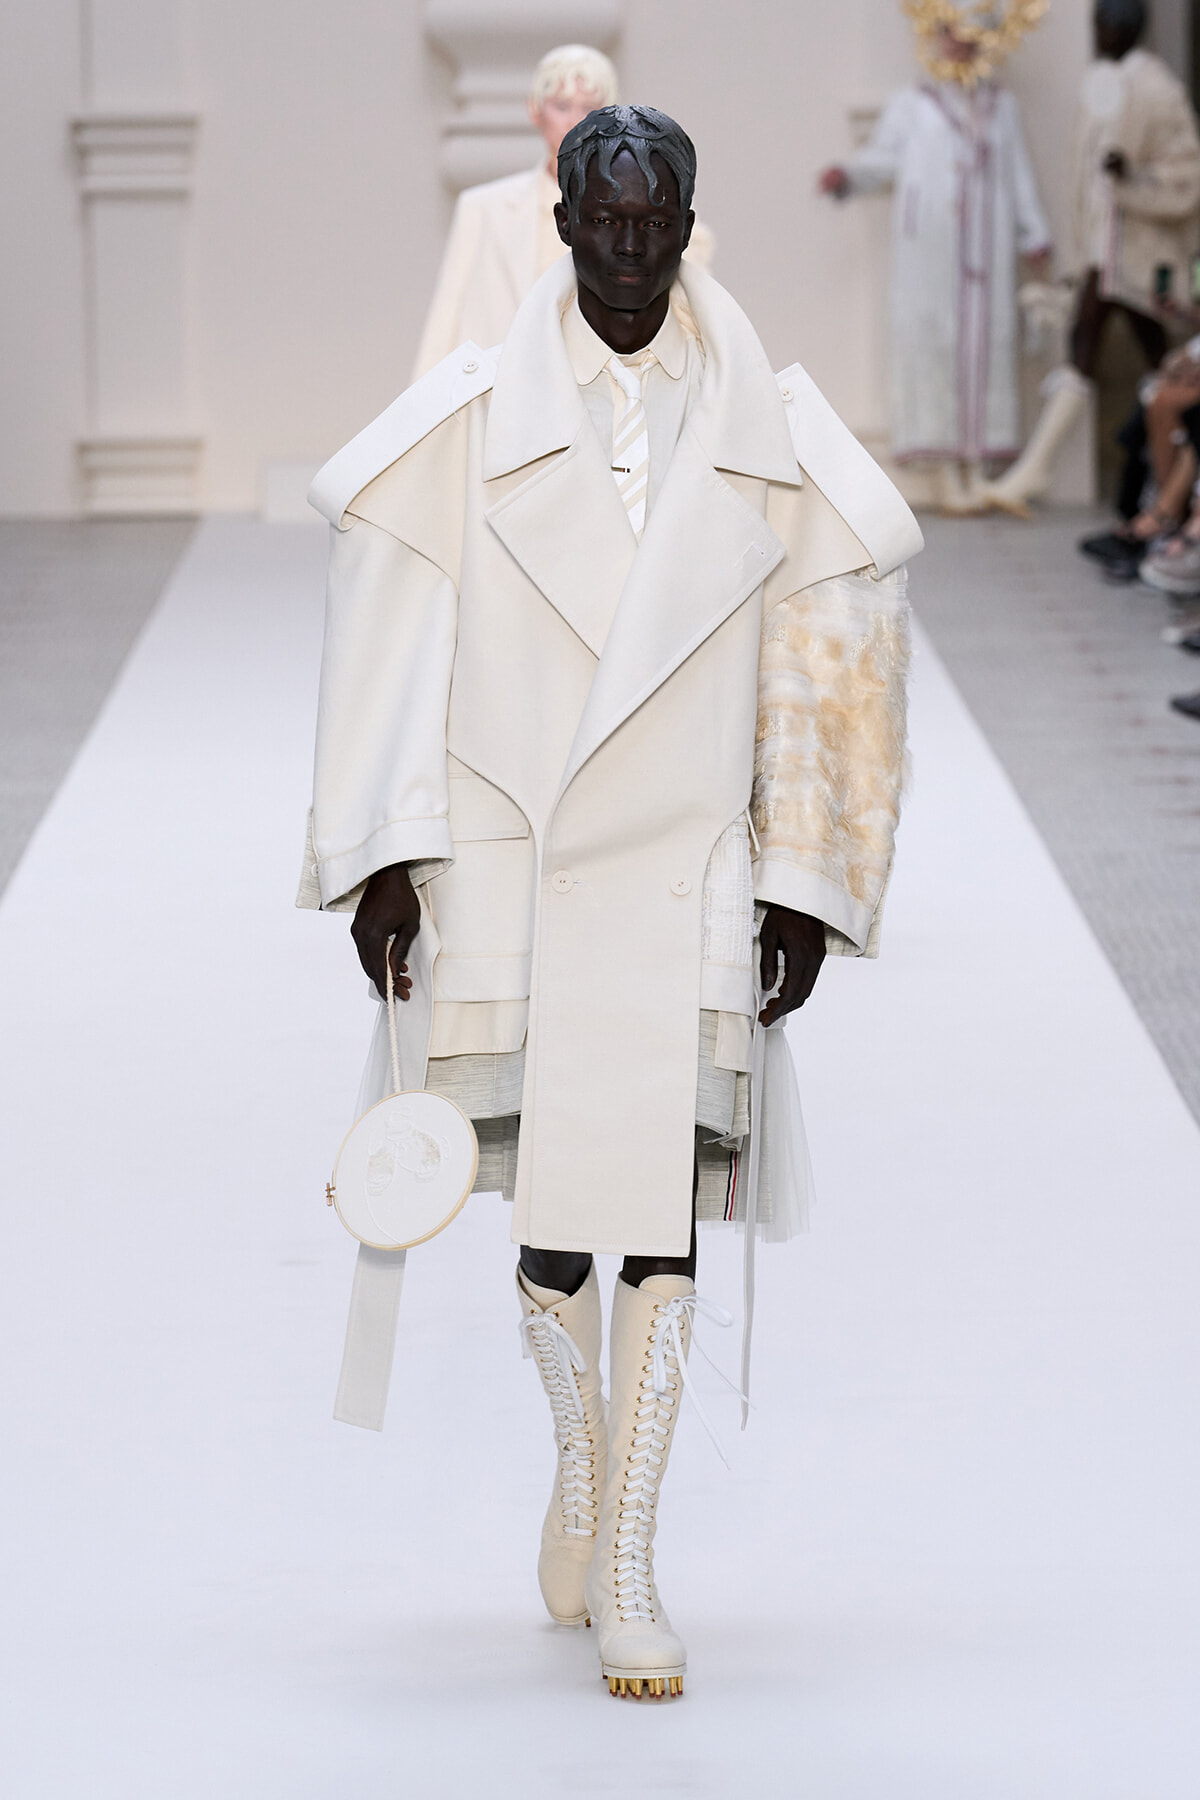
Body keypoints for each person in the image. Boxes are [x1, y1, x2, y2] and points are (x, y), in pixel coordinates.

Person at [302, 105, 920, 1699]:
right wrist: (387, 851)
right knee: (548, 1211)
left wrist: (804, 877)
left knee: (658, 1213)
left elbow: (833, 647)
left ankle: (632, 1550)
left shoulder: (772, 429)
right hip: (514, 859)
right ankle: (580, 1472)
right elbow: (392, 621)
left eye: (657, 224)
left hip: (690, 866)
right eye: (606, 221)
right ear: (565, 224)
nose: (631, 251)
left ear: (688, 226)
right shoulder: (468, 422)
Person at [818, 4, 1051, 515]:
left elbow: (1017, 172)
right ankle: (945, 472)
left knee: (985, 344)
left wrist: (1034, 231)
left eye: (969, 37)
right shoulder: (913, 104)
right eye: (950, 34)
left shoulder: (1001, 107)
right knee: (934, 343)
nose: (958, 45)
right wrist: (850, 175)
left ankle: (978, 466)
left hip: (985, 252)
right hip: (930, 252)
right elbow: (883, 159)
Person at [983, 0, 1200, 514]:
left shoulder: (1159, 91)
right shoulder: (1099, 84)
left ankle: (1158, 492)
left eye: (1104, 25)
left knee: (1139, 357)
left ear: (1125, 28)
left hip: (1141, 254)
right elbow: (1085, 180)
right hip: (1104, 251)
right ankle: (1159, 490)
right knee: (1124, 353)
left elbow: (1186, 177)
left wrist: (1134, 177)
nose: (1098, 34)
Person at [411, 44, 712, 379]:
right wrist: (422, 403)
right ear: (535, 110)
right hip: (499, 386)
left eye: (590, 107)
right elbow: (446, 318)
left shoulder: (665, 221)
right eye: (561, 106)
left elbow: (692, 320)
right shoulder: (483, 208)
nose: (574, 120)